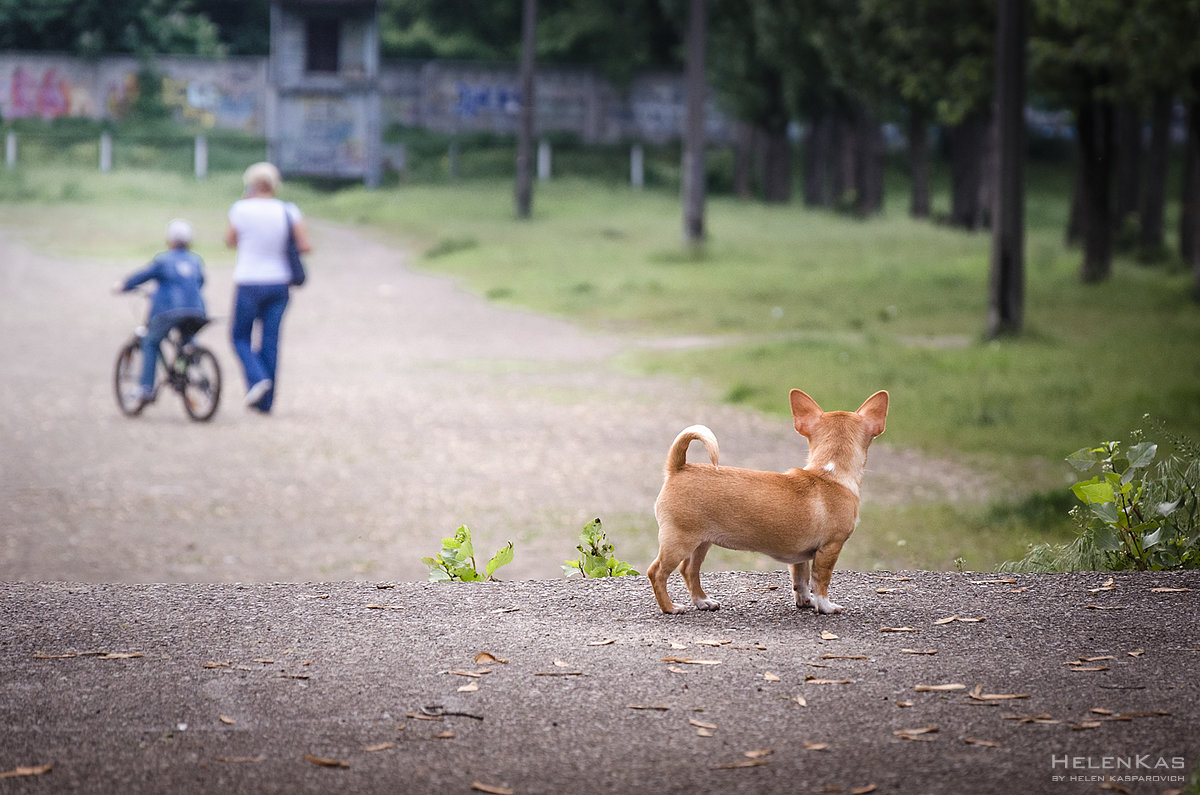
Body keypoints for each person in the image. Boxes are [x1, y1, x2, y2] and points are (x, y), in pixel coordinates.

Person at [225, 161, 312, 413]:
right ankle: (266, 402)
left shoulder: (241, 209)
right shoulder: (288, 211)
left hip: (249, 281)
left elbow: (230, 240)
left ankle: (256, 378)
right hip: (279, 282)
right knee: (270, 341)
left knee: (239, 336)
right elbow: (305, 245)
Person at [114, 219, 208, 405]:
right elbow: (200, 282)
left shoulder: (163, 260)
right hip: (197, 310)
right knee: (186, 337)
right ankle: (193, 361)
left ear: (169, 240)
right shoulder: (196, 261)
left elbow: (142, 276)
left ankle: (146, 387)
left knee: (150, 341)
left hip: (168, 311)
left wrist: (124, 285)